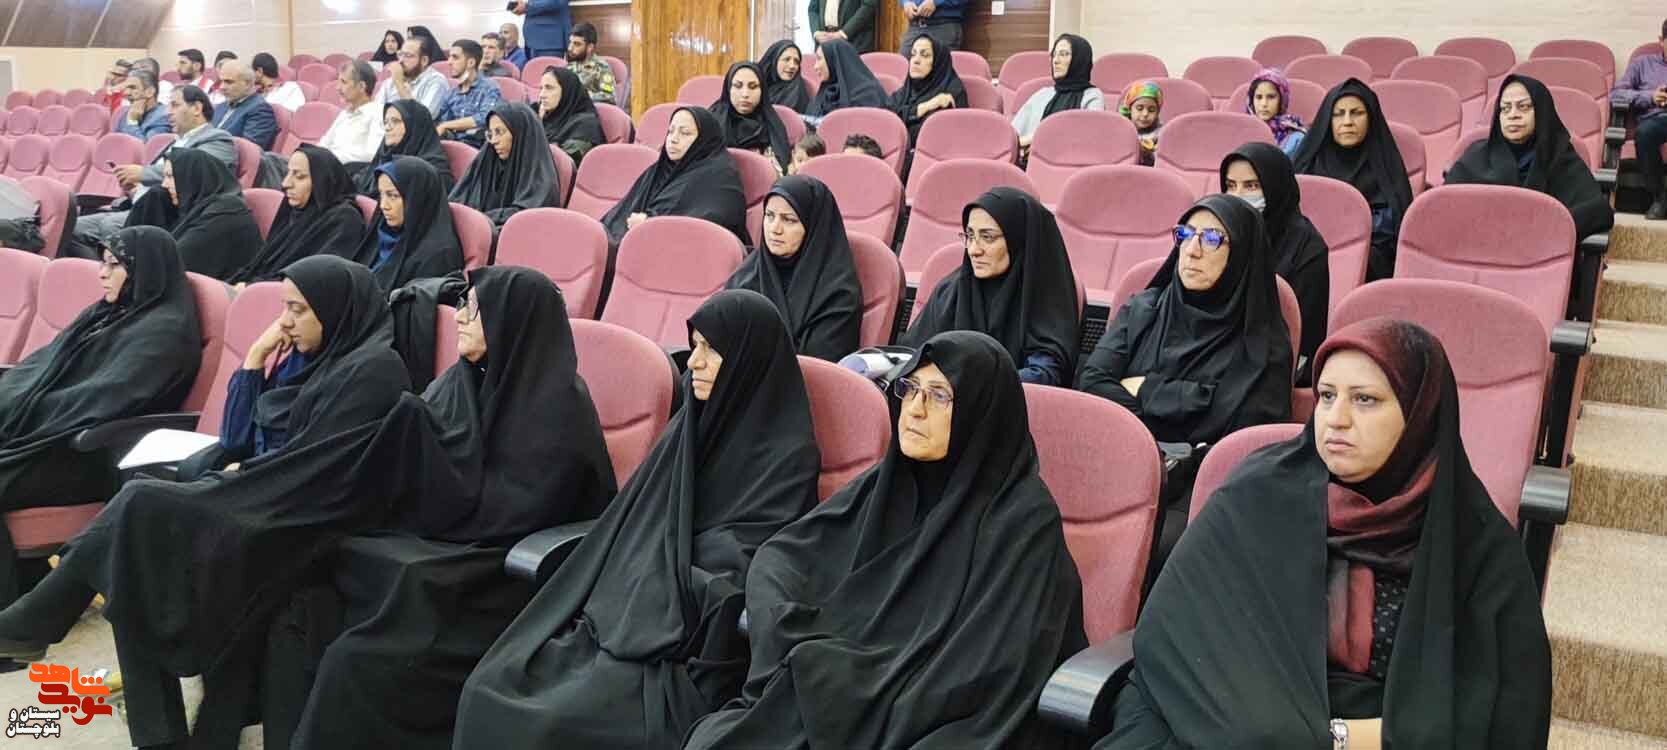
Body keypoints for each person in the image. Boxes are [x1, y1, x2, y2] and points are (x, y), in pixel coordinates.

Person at [0, 256, 411, 750]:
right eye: (284, 307)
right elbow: (237, 439)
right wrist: (253, 362)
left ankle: (37, 623)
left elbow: (322, 474)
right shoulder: (311, 359)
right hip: (260, 497)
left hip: (301, 520)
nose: (284, 322)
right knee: (134, 551)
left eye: (298, 310)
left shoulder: (374, 371)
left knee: (141, 510)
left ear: (336, 309)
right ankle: (145, 723)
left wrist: (240, 478)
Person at [1092, 318, 1552, 750]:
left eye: (1365, 400)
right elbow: (1173, 639)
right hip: (1223, 728)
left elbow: (1495, 713)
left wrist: (1334, 739)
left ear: (1420, 412)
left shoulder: (1475, 545)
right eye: (1327, 396)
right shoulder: (1259, 494)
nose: (1336, 419)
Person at [453, 289, 821, 749]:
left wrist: (658, 573)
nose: (694, 363)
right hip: (624, 611)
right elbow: (635, 521)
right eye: (695, 347)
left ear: (747, 361)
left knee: (551, 724)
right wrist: (639, 572)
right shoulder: (690, 426)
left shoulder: (788, 460)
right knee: (492, 687)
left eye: (711, 351)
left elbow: (749, 562)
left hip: (681, 645)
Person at [686, 330, 1086, 749]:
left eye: (939, 396)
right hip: (840, 687)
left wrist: (858, 679)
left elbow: (994, 668)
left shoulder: (1023, 521)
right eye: (910, 388)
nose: (914, 410)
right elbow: (784, 556)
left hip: (921, 715)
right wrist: (791, 632)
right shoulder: (891, 480)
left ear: (980, 413)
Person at [275, 267, 618, 750]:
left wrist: (432, 466)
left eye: (473, 309)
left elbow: (518, 512)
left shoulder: (559, 408)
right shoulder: (462, 380)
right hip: (441, 548)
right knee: (304, 604)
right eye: (460, 305)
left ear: (508, 321)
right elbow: (429, 473)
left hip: (499, 578)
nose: (458, 317)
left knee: (357, 658)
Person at [0, 227, 200, 609]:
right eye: (102, 263)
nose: (102, 274)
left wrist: (24, 411)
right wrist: (11, 401)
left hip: (90, 454)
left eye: (114, 265)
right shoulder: (108, 313)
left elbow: (105, 399)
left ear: (144, 270)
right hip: (49, 438)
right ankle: (23, 587)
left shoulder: (164, 333)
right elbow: (40, 367)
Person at [1078, 193, 1293, 444]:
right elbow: (1092, 383)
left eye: (1212, 238)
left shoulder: (1263, 345)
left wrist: (1147, 389)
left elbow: (1240, 437)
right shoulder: (1143, 309)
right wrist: (1194, 402)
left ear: (1242, 253)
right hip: (1122, 448)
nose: (1192, 251)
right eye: (1186, 234)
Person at [902, 187, 1080, 386]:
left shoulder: (1047, 297)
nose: (974, 250)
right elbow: (910, 360)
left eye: (987, 237)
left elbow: (1045, 376)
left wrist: (966, 384)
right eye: (970, 236)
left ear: (1018, 240)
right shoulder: (951, 290)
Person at [1448, 74, 1615, 241]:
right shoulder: (1476, 157)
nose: (1513, 115)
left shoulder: (1560, 158)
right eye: (1505, 108)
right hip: (1476, 250)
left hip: (1542, 254)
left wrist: (1541, 232)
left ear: (1542, 112)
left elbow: (1599, 211)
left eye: (1523, 107)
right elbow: (1444, 206)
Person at [724, 175, 863, 360]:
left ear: (812, 226)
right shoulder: (746, 276)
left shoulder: (838, 295)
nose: (775, 229)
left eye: (789, 220)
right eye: (769, 216)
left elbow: (819, 366)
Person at [75, 85, 236, 245]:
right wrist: (136, 189)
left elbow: (193, 173)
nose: (168, 112)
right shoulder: (174, 141)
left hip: (171, 216)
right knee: (73, 227)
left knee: (110, 226)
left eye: (175, 105)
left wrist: (142, 174)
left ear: (196, 108)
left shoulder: (218, 139)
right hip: (138, 207)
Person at [1220, 143, 1329, 367]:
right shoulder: (1217, 231)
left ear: (1275, 187)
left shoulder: (1307, 249)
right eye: (1230, 186)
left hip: (1267, 365)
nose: (1237, 196)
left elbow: (1301, 343)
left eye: (1251, 186)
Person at [1293, 79, 1413, 282]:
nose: (1347, 121)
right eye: (1338, 114)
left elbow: (1392, 230)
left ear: (1371, 118)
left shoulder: (1385, 167)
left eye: (1356, 113)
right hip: (1310, 253)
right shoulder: (1308, 165)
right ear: (1327, 120)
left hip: (1368, 260)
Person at [601, 106, 749, 250]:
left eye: (685, 133)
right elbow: (620, 218)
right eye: (670, 131)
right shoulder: (660, 170)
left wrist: (650, 224)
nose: (673, 139)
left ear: (704, 139)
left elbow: (710, 226)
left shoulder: (721, 177)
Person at [228, 146, 365, 287]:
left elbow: (313, 281)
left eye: (299, 176)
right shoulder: (295, 210)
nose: (285, 183)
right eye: (288, 173)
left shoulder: (343, 220)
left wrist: (252, 288)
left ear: (321, 181)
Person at [133, 148, 262, 280]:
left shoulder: (226, 213)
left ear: (192, 177)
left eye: (170, 177)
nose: (164, 185)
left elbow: (173, 263)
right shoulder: (195, 207)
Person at [357, 156, 464, 290]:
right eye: (381, 195)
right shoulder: (385, 232)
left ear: (417, 198)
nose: (383, 205)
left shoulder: (438, 257)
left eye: (393, 196)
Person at [449, 103, 560, 227]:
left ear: (519, 133)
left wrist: (482, 219)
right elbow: (459, 199)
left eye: (499, 132)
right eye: (490, 134)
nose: (494, 141)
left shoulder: (541, 181)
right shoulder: (489, 160)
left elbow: (525, 220)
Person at [1010, 34, 1103, 154]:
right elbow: (1012, 135)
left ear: (1079, 59)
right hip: (1031, 159)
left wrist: (1034, 139)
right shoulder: (1042, 94)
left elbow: (1087, 137)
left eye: (1063, 54)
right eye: (1054, 55)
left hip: (1073, 160)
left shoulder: (1092, 96)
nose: (1056, 61)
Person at [1614, 20, 1667, 219]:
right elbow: (1617, 95)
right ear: (1661, 40)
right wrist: (1650, 97)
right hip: (1655, 120)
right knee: (1645, 133)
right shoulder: (1643, 64)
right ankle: (1659, 197)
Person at [889, 34, 966, 167]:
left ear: (938, 62)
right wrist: (925, 107)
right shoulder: (906, 91)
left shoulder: (952, 93)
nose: (916, 61)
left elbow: (933, 135)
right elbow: (887, 118)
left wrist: (906, 118)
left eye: (924, 55)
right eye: (913, 54)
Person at [357, 100, 455, 197]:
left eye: (395, 121)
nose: (387, 127)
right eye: (386, 122)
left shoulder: (434, 173)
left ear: (414, 126)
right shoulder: (383, 158)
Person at [712, 61, 793, 173]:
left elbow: (781, 170)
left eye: (753, 87)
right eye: (738, 86)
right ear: (728, 89)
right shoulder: (712, 122)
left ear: (762, 91)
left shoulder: (773, 126)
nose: (745, 94)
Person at [434, 39, 503, 147]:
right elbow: (440, 120)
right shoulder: (451, 94)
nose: (449, 62)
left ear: (471, 62)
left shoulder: (489, 88)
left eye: (455, 57)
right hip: (451, 145)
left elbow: (484, 118)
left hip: (479, 147)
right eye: (450, 57)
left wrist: (446, 125)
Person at [319, 60, 385, 165]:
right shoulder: (344, 113)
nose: (337, 87)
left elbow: (372, 154)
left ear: (361, 86)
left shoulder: (378, 113)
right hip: (328, 166)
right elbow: (325, 143)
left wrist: (331, 158)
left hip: (350, 171)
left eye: (343, 82)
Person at [538, 67, 605, 167]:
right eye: (541, 88)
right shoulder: (548, 117)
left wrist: (537, 128)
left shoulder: (585, 126)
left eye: (549, 88)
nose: (541, 95)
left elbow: (560, 165)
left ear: (567, 91)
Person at [806, 38, 888, 119]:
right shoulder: (826, 91)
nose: (815, 67)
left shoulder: (869, 94)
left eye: (819, 59)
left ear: (834, 60)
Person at [375, 36, 450, 117]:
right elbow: (376, 112)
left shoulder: (436, 81)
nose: (400, 61)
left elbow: (424, 117)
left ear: (424, 61)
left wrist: (399, 84)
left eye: (408, 55)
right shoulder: (391, 81)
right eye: (400, 54)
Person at [214, 59, 279, 151]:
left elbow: (247, 152)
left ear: (248, 84)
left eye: (229, 82)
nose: (222, 87)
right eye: (221, 81)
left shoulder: (260, 110)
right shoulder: (222, 106)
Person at [1247, 67, 1308, 156]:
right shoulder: (1243, 129)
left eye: (1271, 97)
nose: (1264, 104)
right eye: (1259, 97)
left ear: (1282, 100)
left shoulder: (1296, 137)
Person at [565, 22, 617, 104]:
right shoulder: (570, 65)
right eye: (570, 42)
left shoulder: (601, 67)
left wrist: (581, 96)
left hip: (589, 109)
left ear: (590, 47)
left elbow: (609, 96)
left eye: (577, 44)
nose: (570, 48)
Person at [115, 69, 172, 141]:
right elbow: (114, 142)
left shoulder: (163, 116)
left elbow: (148, 146)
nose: (126, 93)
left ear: (150, 92)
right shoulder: (127, 112)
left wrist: (132, 122)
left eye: (133, 88)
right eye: (125, 88)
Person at [758, 41, 812, 114]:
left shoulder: (797, 93)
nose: (792, 66)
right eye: (787, 59)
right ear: (774, 60)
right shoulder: (757, 83)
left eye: (796, 62)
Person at [809, 0, 880, 53]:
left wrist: (843, 33)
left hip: (854, 43)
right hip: (824, 43)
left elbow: (869, 5)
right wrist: (816, 32)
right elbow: (812, 9)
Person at [1121, 80, 1163, 166]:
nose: (1145, 114)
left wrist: (1149, 153)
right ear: (1130, 109)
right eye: (1139, 108)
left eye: (1151, 110)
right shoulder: (1121, 130)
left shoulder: (1161, 134)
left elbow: (1162, 162)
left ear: (1157, 113)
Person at [899, 0, 966, 54]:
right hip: (915, 26)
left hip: (943, 26)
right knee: (904, 64)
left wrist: (935, 2)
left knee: (941, 66)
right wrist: (906, 2)